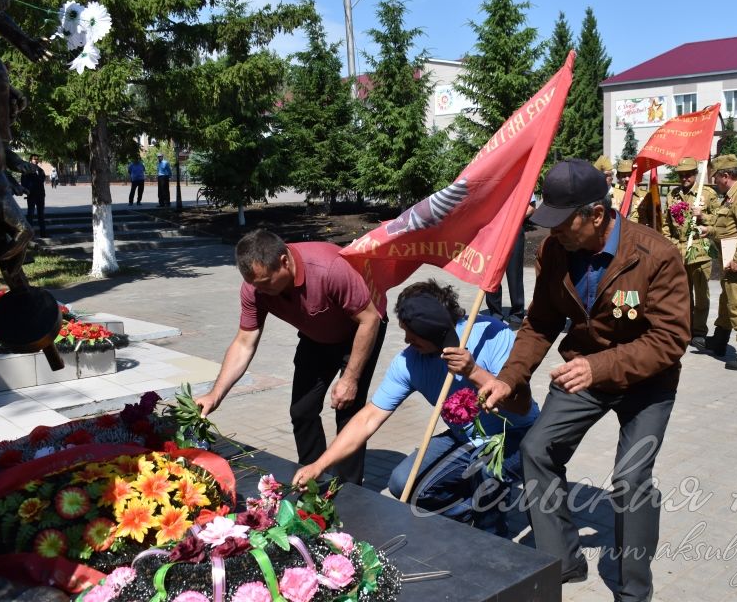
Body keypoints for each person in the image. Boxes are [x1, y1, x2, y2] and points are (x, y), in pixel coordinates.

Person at [477, 159, 690, 599]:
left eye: (561, 221)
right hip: (583, 373)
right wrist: (508, 377)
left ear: (596, 215)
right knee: (537, 449)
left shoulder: (656, 254)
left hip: (647, 380)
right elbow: (539, 323)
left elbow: (669, 340)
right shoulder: (555, 250)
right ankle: (562, 561)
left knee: (631, 480)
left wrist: (602, 366)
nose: (552, 231)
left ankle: (633, 591)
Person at [292, 280, 539, 534]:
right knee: (404, 484)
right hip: (466, 439)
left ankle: (494, 541)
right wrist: (319, 465)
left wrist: (473, 371)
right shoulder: (409, 362)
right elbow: (368, 418)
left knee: (487, 468)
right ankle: (468, 510)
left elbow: (520, 406)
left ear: (435, 330)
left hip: (518, 435)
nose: (407, 338)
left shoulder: (494, 334)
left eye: (413, 331)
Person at [195, 229, 386, 484]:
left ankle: (351, 490)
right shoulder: (255, 288)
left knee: (347, 411)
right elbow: (244, 342)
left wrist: (350, 379)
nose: (259, 290)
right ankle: (313, 479)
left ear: (285, 261)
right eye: (254, 284)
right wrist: (215, 394)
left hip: (360, 330)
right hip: (316, 333)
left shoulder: (328, 268)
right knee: (302, 411)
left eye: (265, 282)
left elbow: (369, 319)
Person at [695, 154, 737, 371]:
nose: (714, 181)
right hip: (731, 258)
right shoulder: (732, 195)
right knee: (727, 300)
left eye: (716, 177)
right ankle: (719, 341)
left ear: (726, 176)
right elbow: (728, 226)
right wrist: (710, 230)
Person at [662, 157, 721, 348]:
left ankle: (699, 331)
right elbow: (665, 224)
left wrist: (702, 215)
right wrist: (671, 244)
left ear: (695, 174)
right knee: (683, 294)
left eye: (688, 174)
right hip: (678, 251)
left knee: (701, 294)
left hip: (700, 250)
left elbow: (720, 221)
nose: (684, 178)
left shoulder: (707, 193)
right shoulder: (673, 195)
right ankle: (685, 328)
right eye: (681, 175)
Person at [485, 194, 537, 328]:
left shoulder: (522, 180)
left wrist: (512, 219)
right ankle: (495, 315)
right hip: (492, 230)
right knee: (491, 274)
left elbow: (531, 208)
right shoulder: (494, 181)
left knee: (514, 274)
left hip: (513, 230)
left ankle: (517, 314)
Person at [612, 159, 652, 225]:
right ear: (618, 177)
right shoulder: (612, 195)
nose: (627, 179)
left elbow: (652, 220)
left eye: (630, 175)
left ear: (635, 176)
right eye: (624, 176)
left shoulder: (645, 196)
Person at [21, 153, 47, 238]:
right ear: (30, 160)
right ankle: (30, 235)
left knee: (41, 214)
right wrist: (27, 189)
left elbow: (42, 179)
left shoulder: (40, 170)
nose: (36, 161)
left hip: (40, 195)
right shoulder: (26, 170)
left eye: (37, 159)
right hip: (31, 195)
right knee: (30, 215)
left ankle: (43, 233)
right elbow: (23, 182)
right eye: (34, 159)